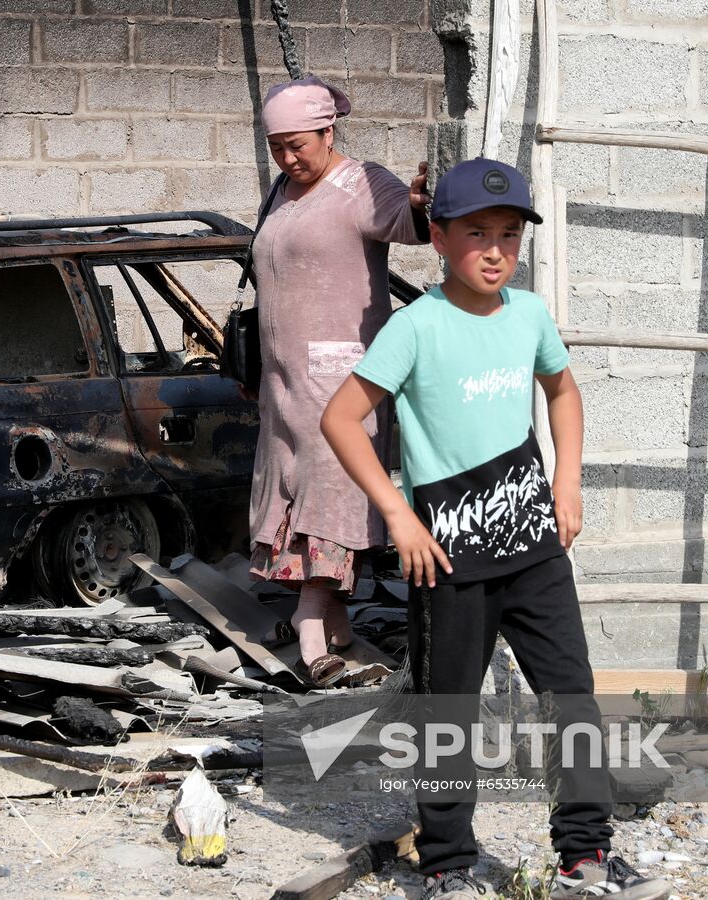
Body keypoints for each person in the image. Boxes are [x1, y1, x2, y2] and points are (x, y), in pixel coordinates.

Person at [320, 158, 668, 899]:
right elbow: (340, 420)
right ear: (438, 237)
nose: (494, 250)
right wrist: (397, 515)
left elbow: (564, 393)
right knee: (449, 717)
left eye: (509, 235)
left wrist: (567, 483)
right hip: (446, 561)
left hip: (536, 552)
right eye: (476, 233)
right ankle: (447, 863)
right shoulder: (413, 328)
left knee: (570, 697)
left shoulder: (531, 316)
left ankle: (585, 856)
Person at [246, 75, 430, 688]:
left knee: (330, 499)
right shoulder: (282, 190)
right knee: (290, 493)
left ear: (329, 132)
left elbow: (412, 223)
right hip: (281, 384)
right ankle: (341, 624)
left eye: (298, 144)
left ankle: (309, 631)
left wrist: (425, 202)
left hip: (340, 382)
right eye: (278, 147)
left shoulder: (363, 182)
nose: (288, 158)